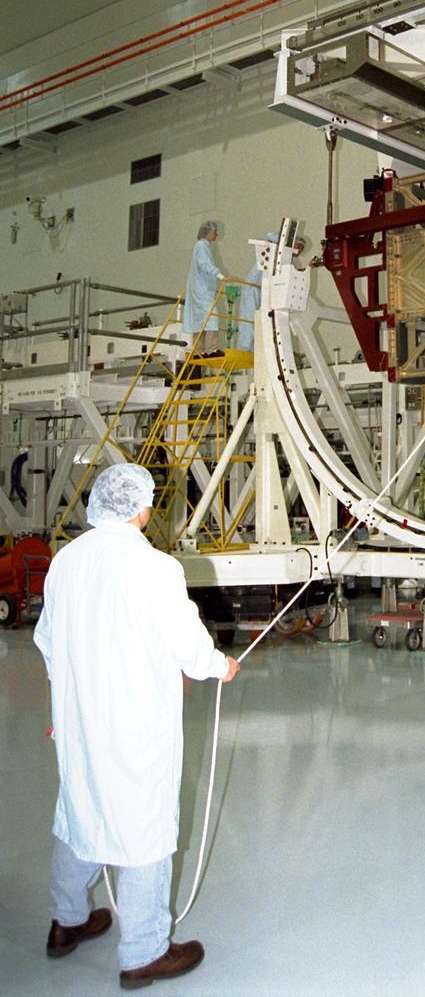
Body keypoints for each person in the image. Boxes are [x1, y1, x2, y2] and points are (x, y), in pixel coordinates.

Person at [34, 463, 239, 989]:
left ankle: (68, 921)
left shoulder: (65, 562)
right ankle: (143, 953)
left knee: (81, 809)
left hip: (80, 716)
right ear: (143, 509)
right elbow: (188, 648)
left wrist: (67, 702)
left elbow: (48, 641)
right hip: (136, 720)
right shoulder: (154, 567)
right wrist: (220, 666)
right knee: (145, 826)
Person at [184, 221, 229, 354]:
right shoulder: (201, 246)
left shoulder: (205, 246)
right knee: (211, 316)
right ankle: (211, 349)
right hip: (201, 289)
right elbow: (204, 264)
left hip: (201, 289)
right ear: (208, 233)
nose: (216, 234)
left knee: (200, 319)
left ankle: (199, 351)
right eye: (214, 232)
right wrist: (220, 275)